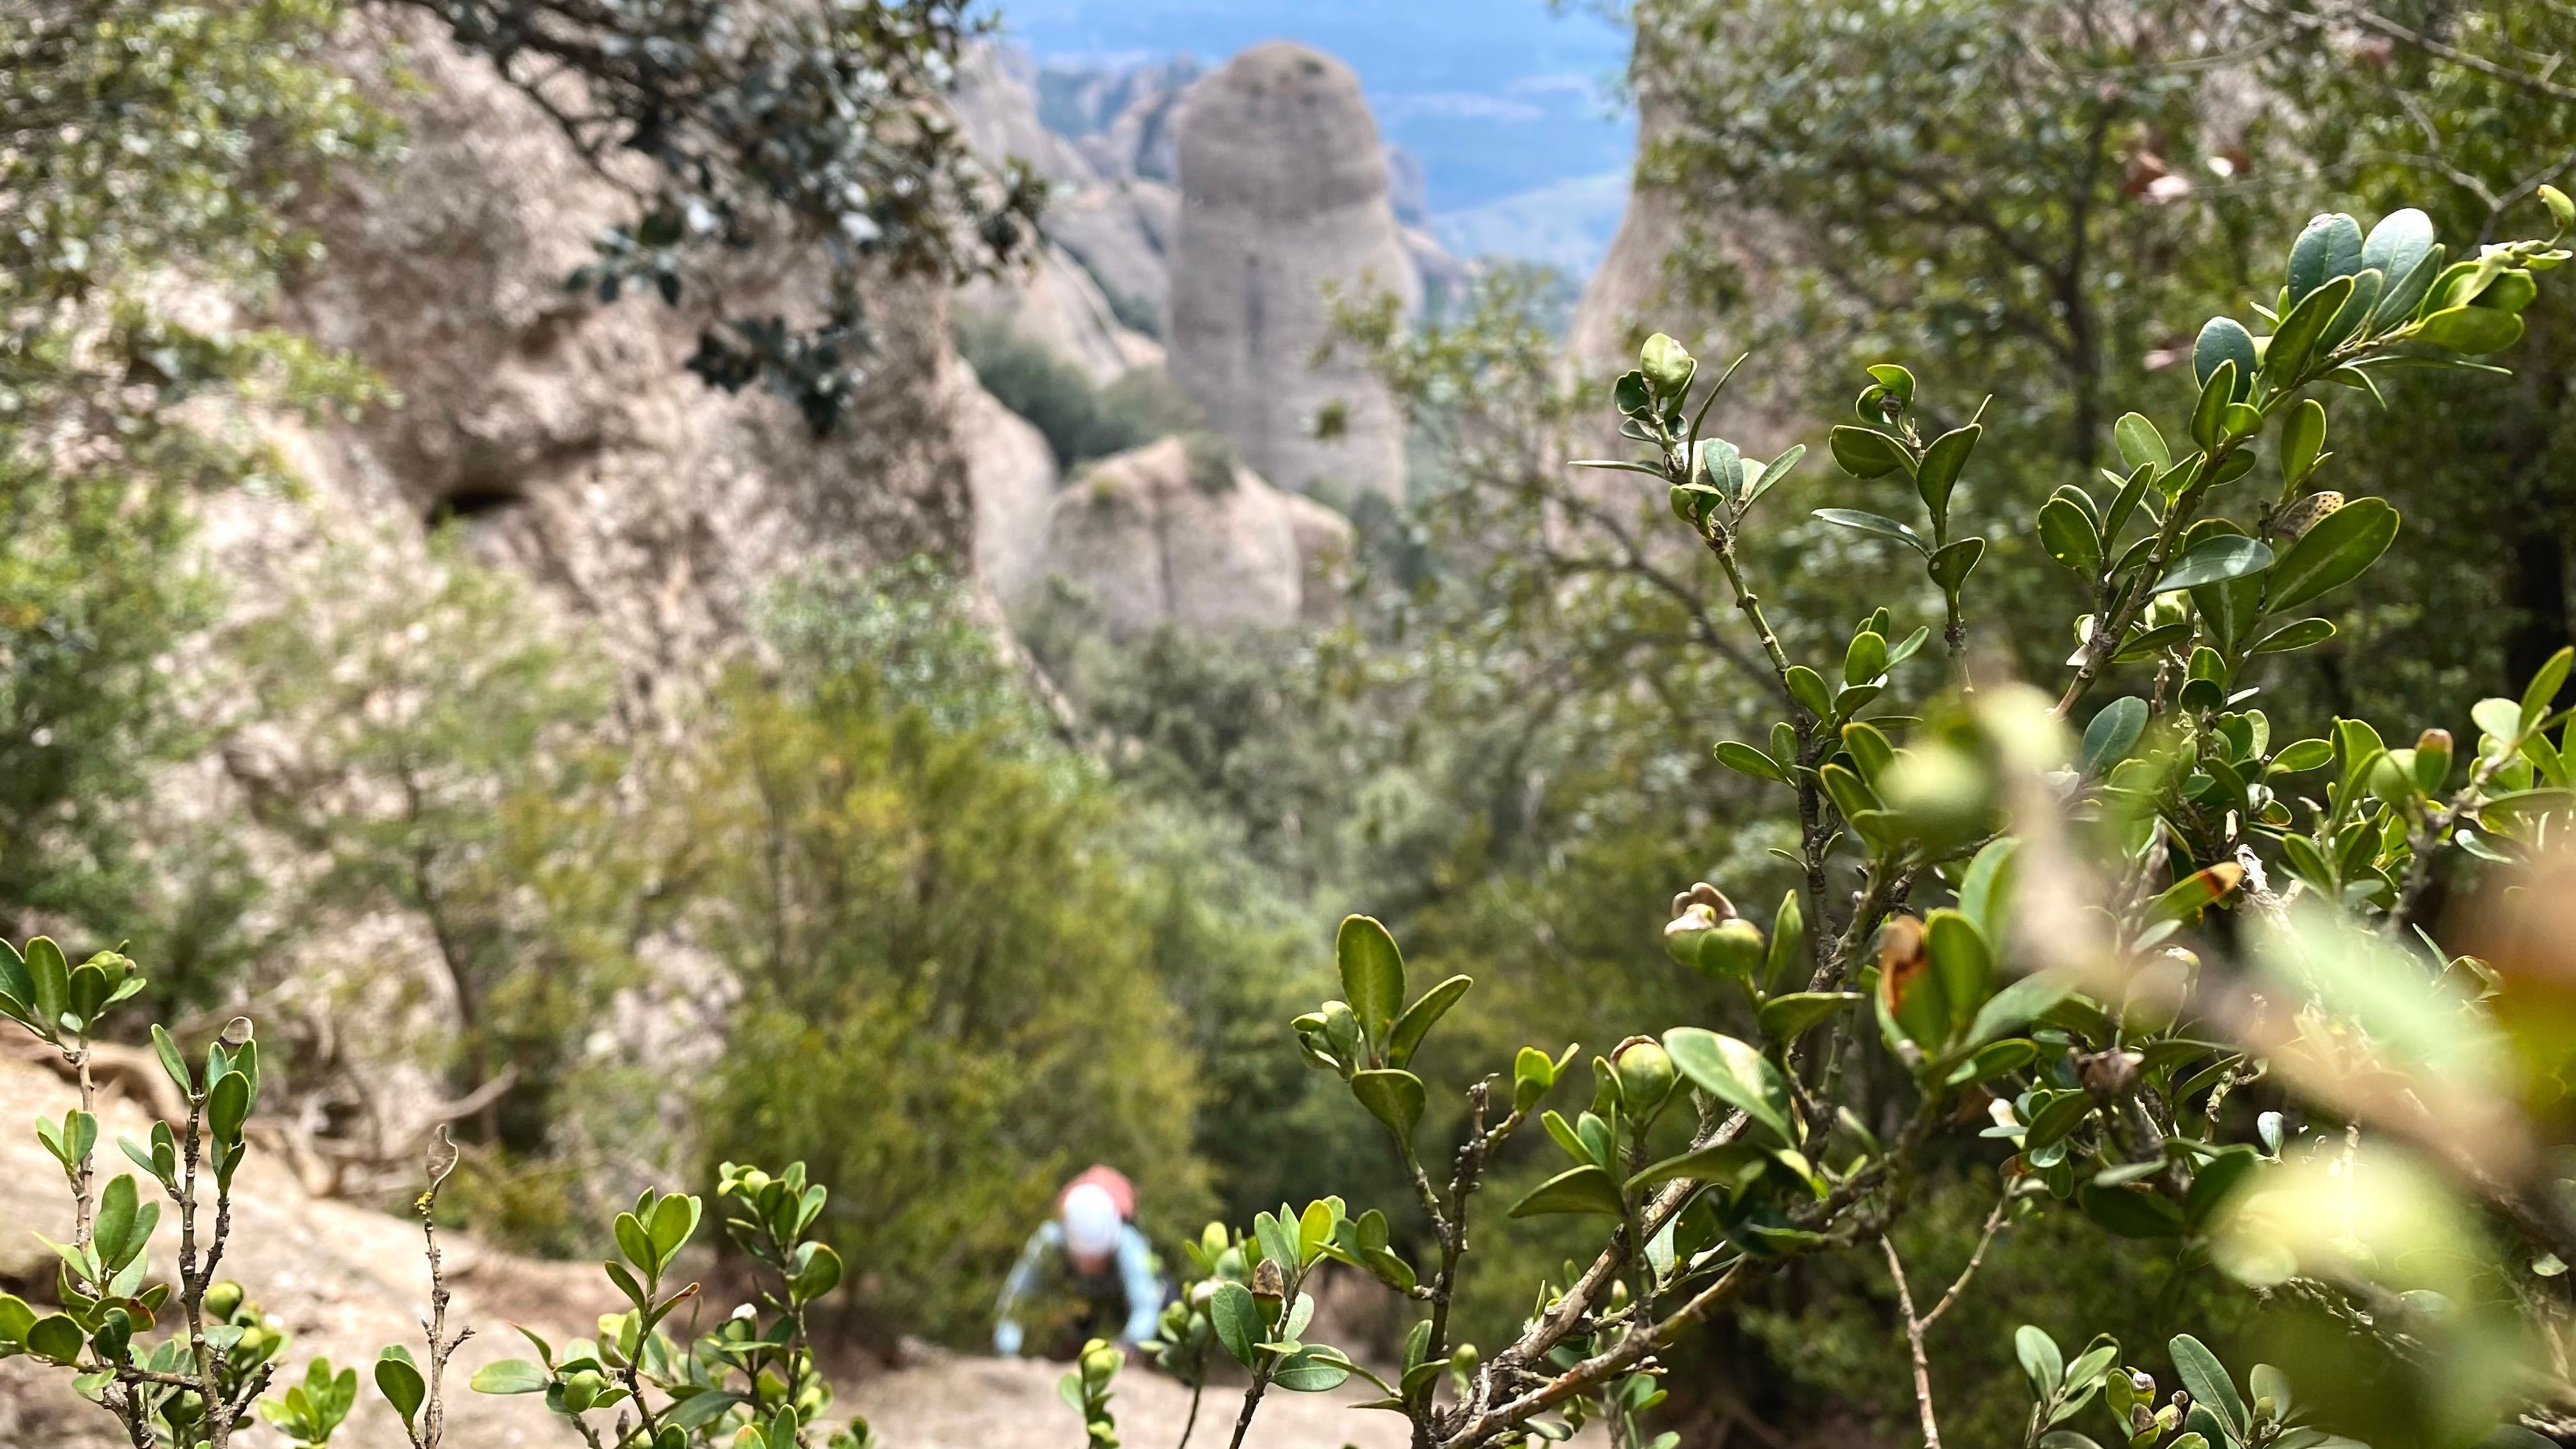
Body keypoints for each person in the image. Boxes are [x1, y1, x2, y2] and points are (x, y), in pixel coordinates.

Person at [992, 1165, 1164, 1358]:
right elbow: (1015, 1299)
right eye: (1084, 1259)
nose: (1091, 1267)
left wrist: (1129, 1344)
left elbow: (1145, 1304)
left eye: (1098, 1259)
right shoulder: (1050, 1238)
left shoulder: (1129, 1242)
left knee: (1165, 1299)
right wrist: (1008, 1350)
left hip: (1119, 1302)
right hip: (1074, 1304)